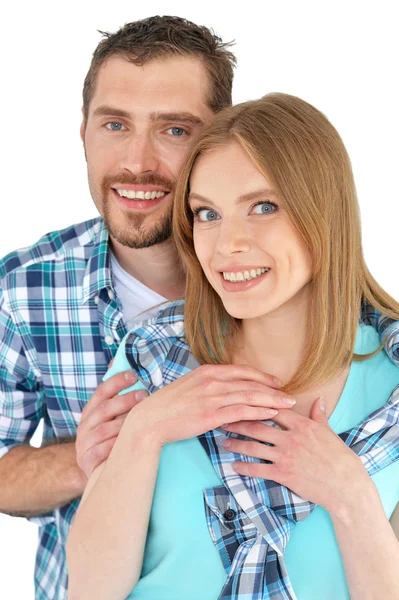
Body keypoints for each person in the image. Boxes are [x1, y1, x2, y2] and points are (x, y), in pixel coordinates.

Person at [67, 93, 399, 600]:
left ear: (324, 212)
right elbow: (91, 590)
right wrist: (145, 430)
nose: (227, 245)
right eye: (207, 214)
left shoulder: (392, 386)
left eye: (263, 206)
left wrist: (349, 493)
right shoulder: (154, 356)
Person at [0, 15, 242, 600]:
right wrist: (90, 459)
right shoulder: (25, 288)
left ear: (225, 140)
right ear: (83, 131)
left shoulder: (277, 281)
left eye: (175, 130)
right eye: (115, 124)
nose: (138, 161)